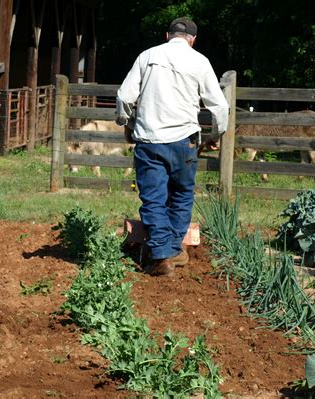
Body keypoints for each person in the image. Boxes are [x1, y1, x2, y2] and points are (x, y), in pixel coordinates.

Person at [116, 17, 229, 277]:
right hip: (185, 141)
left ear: (167, 35)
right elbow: (220, 107)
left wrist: (125, 122)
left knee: (153, 198)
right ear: (193, 40)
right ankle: (173, 248)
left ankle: (162, 254)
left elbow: (124, 96)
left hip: (150, 140)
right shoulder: (200, 61)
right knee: (181, 195)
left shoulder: (147, 56)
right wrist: (216, 134)